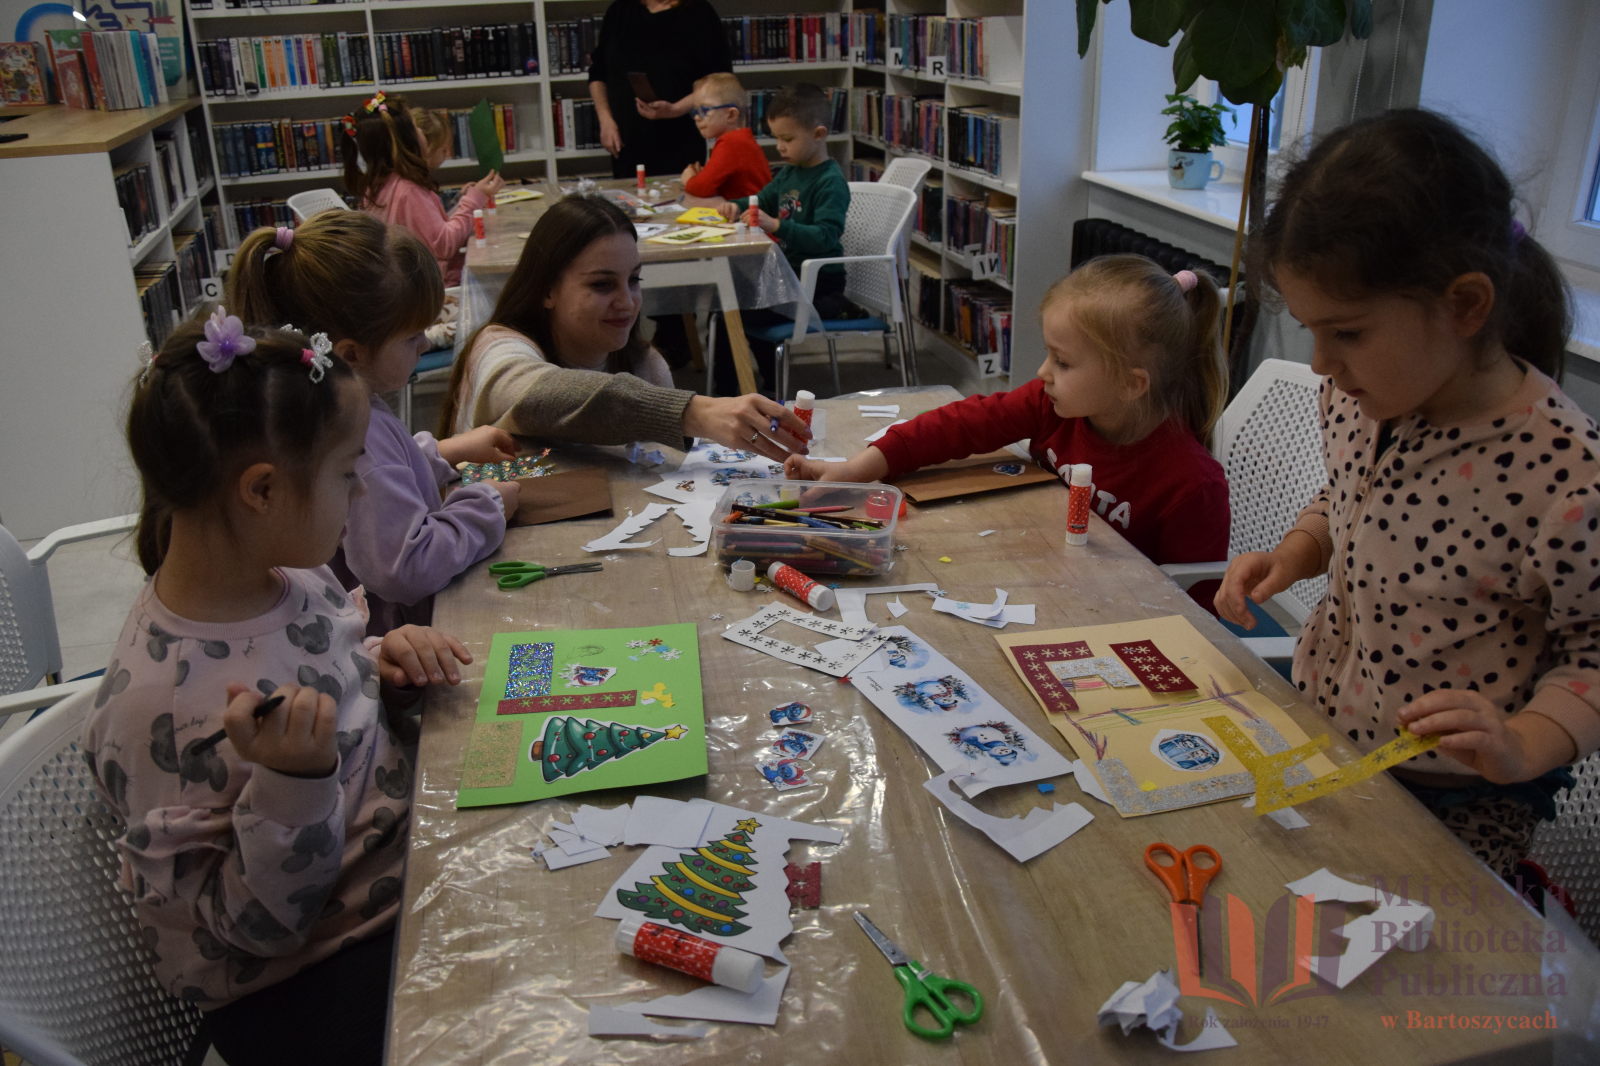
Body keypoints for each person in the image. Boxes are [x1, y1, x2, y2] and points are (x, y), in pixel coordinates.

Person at [1214, 109, 1600, 878]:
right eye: (1311, 330)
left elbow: (1593, 651)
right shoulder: (1360, 398)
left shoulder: (1568, 477)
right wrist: (1297, 551)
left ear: (1465, 306)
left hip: (1457, 805)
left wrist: (1521, 744)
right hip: (1326, 740)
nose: (1320, 364)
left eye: (1347, 333)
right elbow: (1347, 498)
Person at [84, 311, 472, 1066]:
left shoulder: (296, 578)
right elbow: (258, 930)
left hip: (397, 882)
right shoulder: (161, 707)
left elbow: (339, 685)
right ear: (261, 489)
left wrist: (388, 669)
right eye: (347, 475)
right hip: (303, 988)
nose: (360, 492)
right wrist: (295, 782)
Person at [785, 254, 1230, 570]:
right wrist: (859, 469)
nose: (1042, 372)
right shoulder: (1053, 404)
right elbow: (959, 425)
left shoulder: (1192, 485)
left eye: (1063, 362)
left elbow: (1199, 610)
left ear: (1131, 384)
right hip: (1044, 568)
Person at [228, 212, 519, 635]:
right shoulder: (358, 431)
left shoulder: (327, 403)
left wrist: (442, 452)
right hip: (396, 641)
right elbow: (406, 567)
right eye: (412, 336)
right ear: (351, 354)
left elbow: (386, 474)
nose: (424, 345)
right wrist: (488, 505)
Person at [440, 194, 810, 463]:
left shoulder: (644, 364)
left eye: (634, 280)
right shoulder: (498, 346)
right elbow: (537, 397)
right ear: (547, 290)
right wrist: (692, 413)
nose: (627, 302)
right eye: (602, 285)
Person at [714, 82, 851, 393]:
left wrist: (776, 225)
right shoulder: (790, 172)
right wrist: (734, 206)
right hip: (790, 276)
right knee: (730, 303)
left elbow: (825, 237)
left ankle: (736, 391)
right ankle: (753, 384)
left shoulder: (830, 181)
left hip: (821, 284)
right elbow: (761, 200)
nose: (780, 147)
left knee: (735, 310)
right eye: (776, 138)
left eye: (787, 139)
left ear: (819, 134)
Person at [340, 91, 502, 287]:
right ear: (407, 140)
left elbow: (428, 232)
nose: (420, 131)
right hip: (434, 288)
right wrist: (476, 198)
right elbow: (444, 245)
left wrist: (463, 202)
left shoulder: (376, 186)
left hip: (408, 287)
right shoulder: (408, 190)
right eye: (415, 126)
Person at [588, 0, 731, 180]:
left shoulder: (699, 12)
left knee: (682, 193)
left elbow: (719, 81)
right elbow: (598, 74)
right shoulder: (619, 11)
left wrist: (675, 109)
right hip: (627, 139)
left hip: (680, 136)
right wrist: (605, 120)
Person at [680, 72, 771, 201]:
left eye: (705, 110)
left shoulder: (731, 142)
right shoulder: (740, 138)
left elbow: (700, 189)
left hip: (749, 211)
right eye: (695, 111)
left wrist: (689, 179)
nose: (697, 117)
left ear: (731, 115)